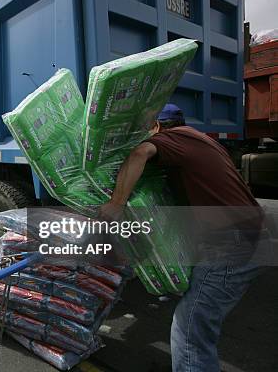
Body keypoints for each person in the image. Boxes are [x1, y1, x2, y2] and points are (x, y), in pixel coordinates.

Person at [99, 104, 263, 372]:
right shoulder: (200, 139)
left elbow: (142, 151)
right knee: (196, 320)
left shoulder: (171, 139)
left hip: (231, 246)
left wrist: (117, 203)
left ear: (159, 127)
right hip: (247, 237)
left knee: (189, 332)